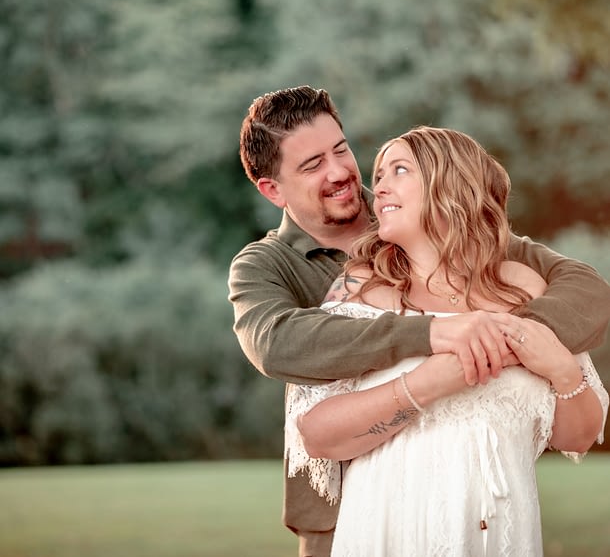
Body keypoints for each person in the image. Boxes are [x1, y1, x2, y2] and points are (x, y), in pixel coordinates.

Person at [228, 86, 610, 557]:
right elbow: (277, 344)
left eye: (341, 150)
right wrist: (433, 333)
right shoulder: (268, 265)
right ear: (272, 189)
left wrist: (510, 341)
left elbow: (585, 290)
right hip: (345, 515)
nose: (341, 172)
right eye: (312, 166)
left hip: (488, 514)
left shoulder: (436, 224)